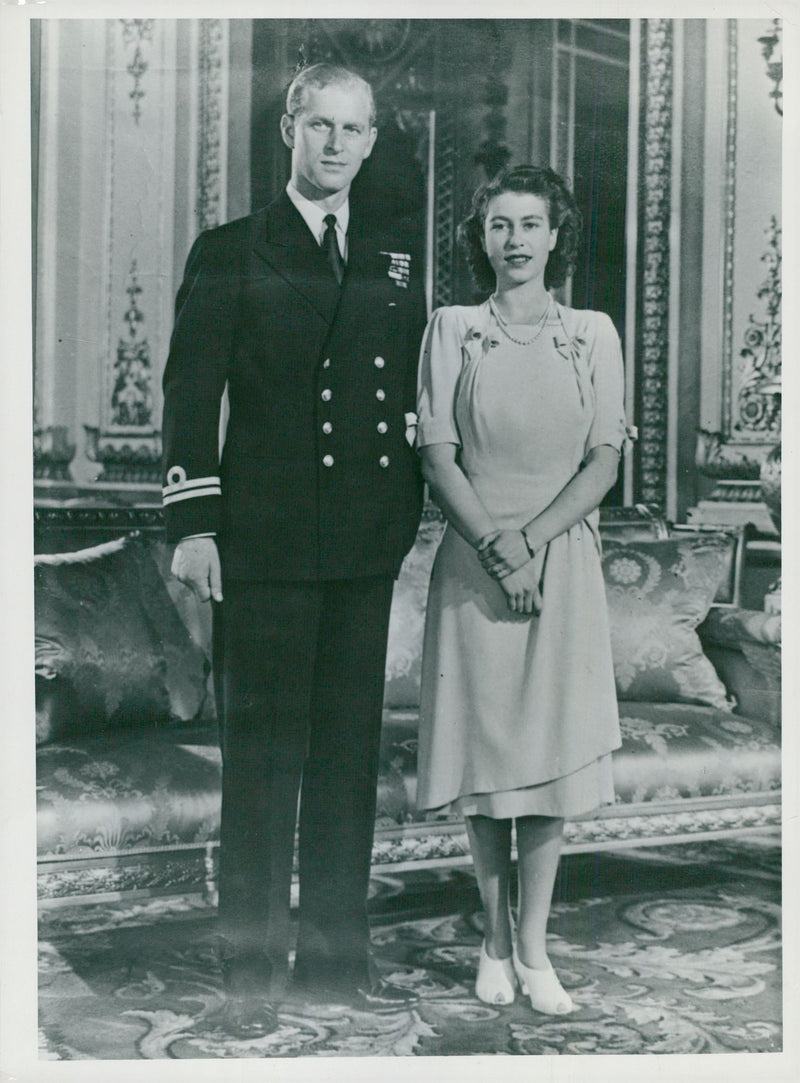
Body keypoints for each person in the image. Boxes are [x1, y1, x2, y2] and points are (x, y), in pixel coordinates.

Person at [161, 63, 426, 1037]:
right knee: (262, 771)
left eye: (353, 131)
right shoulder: (233, 249)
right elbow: (190, 395)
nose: (335, 145)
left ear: (368, 142)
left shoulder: (393, 261)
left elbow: (402, 399)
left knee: (345, 767)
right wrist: (192, 524)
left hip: (360, 549)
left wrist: (402, 518)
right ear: (288, 127)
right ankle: (247, 982)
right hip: (263, 550)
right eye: (319, 125)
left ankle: (332, 967)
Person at [415, 165, 628, 1016]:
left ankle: (534, 948)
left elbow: (604, 458)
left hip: (560, 561)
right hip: (475, 561)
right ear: (482, 237)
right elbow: (437, 455)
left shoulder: (593, 332)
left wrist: (533, 543)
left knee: (545, 771)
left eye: (530, 224)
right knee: (489, 767)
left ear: (555, 236)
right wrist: (500, 550)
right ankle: (491, 940)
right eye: (500, 225)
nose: (515, 240)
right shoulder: (452, 328)